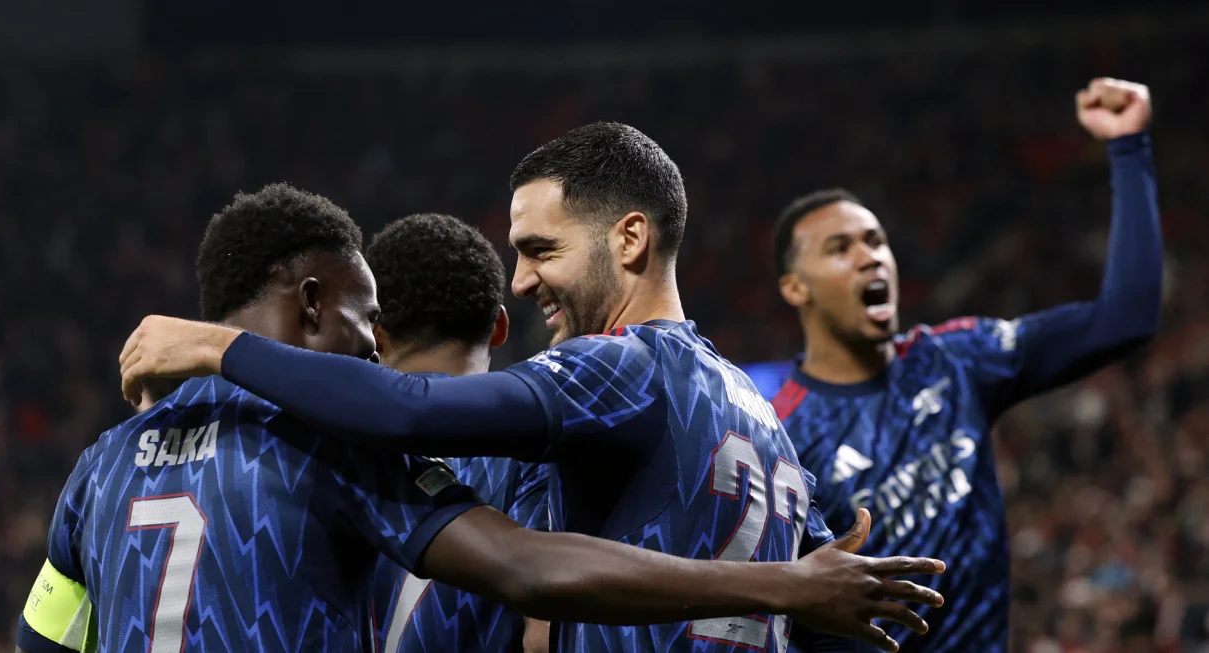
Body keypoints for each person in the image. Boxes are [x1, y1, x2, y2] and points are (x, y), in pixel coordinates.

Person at [117, 125, 947, 652]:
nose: (519, 279)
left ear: (629, 239)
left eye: (540, 249)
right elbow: (823, 604)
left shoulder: (623, 365)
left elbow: (413, 409)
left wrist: (217, 345)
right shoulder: (761, 416)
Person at [755, 78, 1162, 652]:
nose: (869, 255)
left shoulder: (953, 358)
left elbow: (1126, 318)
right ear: (795, 288)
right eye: (839, 248)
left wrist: (1127, 148)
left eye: (876, 240)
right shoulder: (782, 439)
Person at [364, 213, 550, 653]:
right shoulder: (531, 448)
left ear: (375, 336)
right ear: (500, 327)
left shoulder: (330, 443)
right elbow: (542, 634)